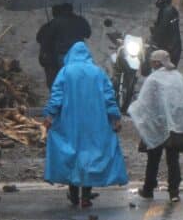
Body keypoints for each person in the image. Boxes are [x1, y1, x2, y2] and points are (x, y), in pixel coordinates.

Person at [42, 41, 128, 208]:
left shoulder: (65, 72)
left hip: (69, 122)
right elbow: (109, 97)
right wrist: (115, 118)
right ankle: (86, 197)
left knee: (71, 153)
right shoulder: (98, 73)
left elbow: (57, 96)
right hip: (95, 122)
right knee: (91, 155)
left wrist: (50, 115)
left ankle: (73, 195)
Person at [128, 49, 183, 202]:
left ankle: (148, 189)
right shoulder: (178, 78)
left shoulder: (153, 79)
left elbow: (145, 102)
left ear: (157, 63)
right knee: (173, 159)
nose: (151, 64)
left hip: (157, 125)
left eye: (152, 61)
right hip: (175, 127)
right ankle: (174, 192)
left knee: (153, 159)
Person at [35, 3, 91, 89]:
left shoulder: (54, 23)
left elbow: (42, 39)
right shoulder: (79, 20)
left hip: (62, 56)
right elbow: (88, 33)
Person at [150, 0, 182, 66]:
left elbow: (161, 30)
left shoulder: (167, 12)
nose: (155, 1)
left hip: (169, 49)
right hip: (174, 48)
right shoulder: (170, 10)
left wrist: (153, 40)